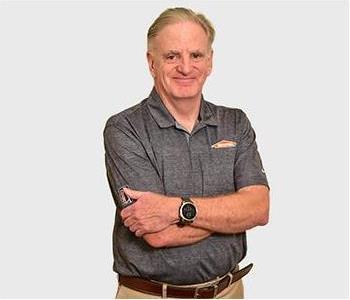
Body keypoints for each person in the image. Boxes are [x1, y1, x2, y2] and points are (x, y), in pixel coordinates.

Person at [103, 7, 269, 299]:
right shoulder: (124, 128)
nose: (185, 67)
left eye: (196, 55)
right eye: (171, 56)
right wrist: (231, 214)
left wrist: (173, 209)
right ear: (151, 62)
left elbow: (259, 209)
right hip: (152, 295)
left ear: (210, 62)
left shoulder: (235, 122)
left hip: (228, 291)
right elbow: (157, 234)